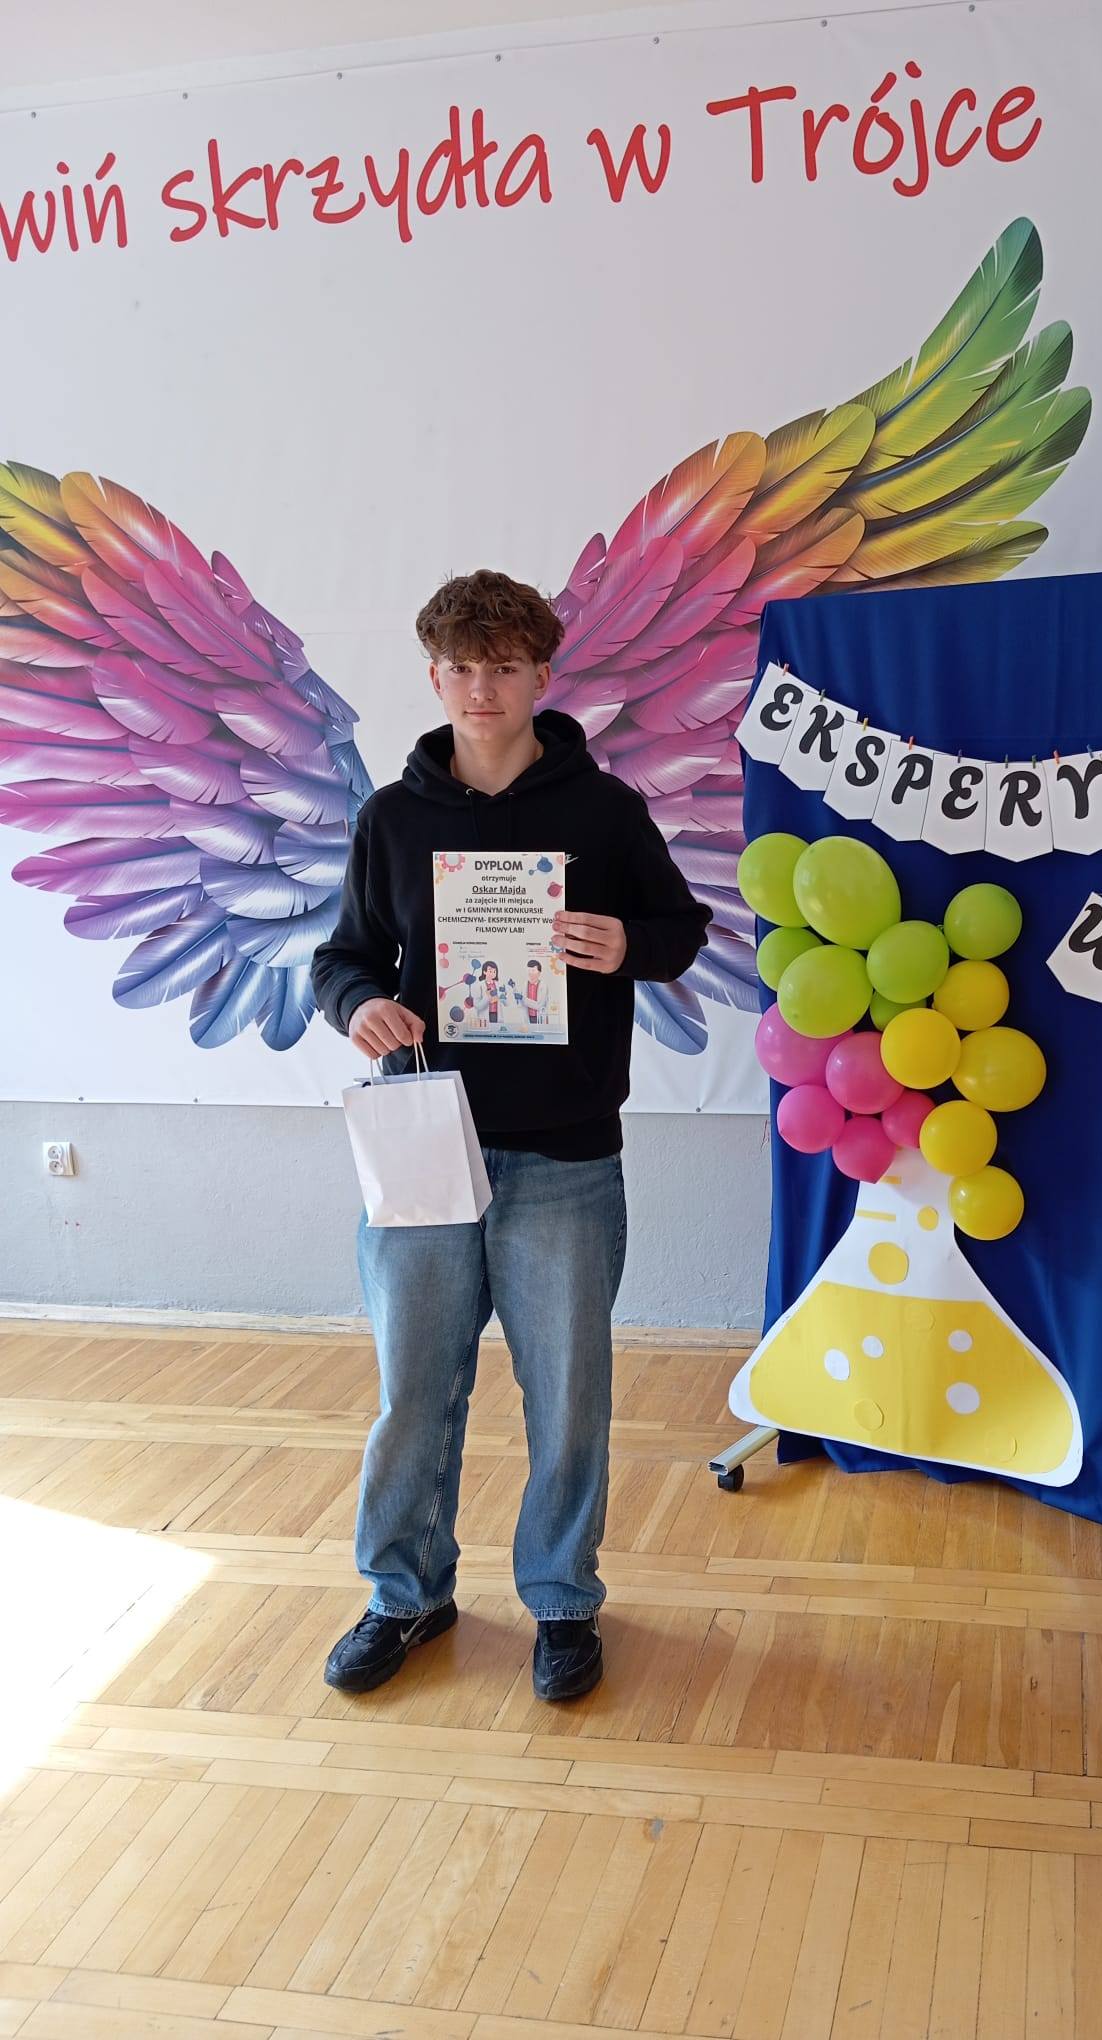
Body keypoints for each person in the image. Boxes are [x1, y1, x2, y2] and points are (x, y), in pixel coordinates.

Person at [313, 569, 709, 1700]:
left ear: (542, 674)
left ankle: (563, 1601)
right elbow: (341, 959)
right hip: (426, 1142)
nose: (479, 688)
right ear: (434, 677)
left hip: (566, 1150)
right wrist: (359, 1005)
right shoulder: (391, 820)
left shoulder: (604, 811)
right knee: (413, 1391)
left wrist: (625, 944)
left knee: (569, 1395)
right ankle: (406, 1595)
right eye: (460, 668)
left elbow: (680, 928)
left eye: (502, 667)